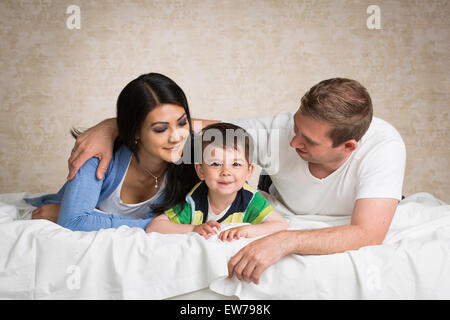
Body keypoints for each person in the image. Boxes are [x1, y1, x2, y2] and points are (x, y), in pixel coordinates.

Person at [64, 77, 406, 284]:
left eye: (307, 142)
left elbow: (367, 234)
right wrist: (111, 126)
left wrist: (285, 242)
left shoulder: (383, 148)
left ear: (347, 147)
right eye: (295, 128)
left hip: (304, 221)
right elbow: (185, 127)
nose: (292, 143)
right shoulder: (279, 134)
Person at [26, 72, 199, 231]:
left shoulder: (195, 158)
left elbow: (225, 129)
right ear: (135, 131)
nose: (176, 137)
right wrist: (160, 225)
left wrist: (109, 124)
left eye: (182, 123)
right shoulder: (98, 155)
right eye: (160, 129)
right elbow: (73, 221)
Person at [146, 123, 289, 240]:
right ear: (201, 171)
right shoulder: (195, 200)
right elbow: (155, 227)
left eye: (236, 164)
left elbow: (280, 225)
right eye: (215, 164)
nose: (226, 172)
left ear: (249, 172)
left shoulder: (250, 200)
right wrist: (194, 228)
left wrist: (248, 230)